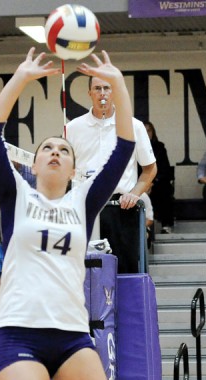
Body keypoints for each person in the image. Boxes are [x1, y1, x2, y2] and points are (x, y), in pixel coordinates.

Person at [0, 48, 135, 380]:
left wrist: (119, 84)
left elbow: (124, 147)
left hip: (71, 336)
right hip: (21, 332)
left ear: (73, 168)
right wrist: (21, 78)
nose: (54, 152)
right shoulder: (16, 198)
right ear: (33, 163)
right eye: (46, 147)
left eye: (63, 149)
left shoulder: (83, 203)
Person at [66, 75, 156, 274]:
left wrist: (134, 193)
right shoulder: (72, 128)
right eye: (97, 88)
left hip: (121, 210)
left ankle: (125, 307)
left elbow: (150, 168)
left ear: (114, 92)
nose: (102, 93)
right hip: (84, 210)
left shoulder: (134, 126)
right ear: (89, 93)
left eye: (107, 88)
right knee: (86, 273)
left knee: (125, 271)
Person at [0, 161, 36, 241]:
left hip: (26, 204)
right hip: (5, 203)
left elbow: (34, 195)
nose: (10, 162)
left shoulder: (30, 173)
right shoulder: (0, 171)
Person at [143, 121, 175, 234]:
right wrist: (143, 184)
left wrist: (151, 183)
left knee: (164, 189)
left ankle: (166, 224)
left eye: (149, 130)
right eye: (144, 130)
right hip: (139, 184)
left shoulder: (160, 147)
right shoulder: (133, 149)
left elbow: (164, 169)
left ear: (153, 132)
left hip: (157, 182)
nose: (146, 133)